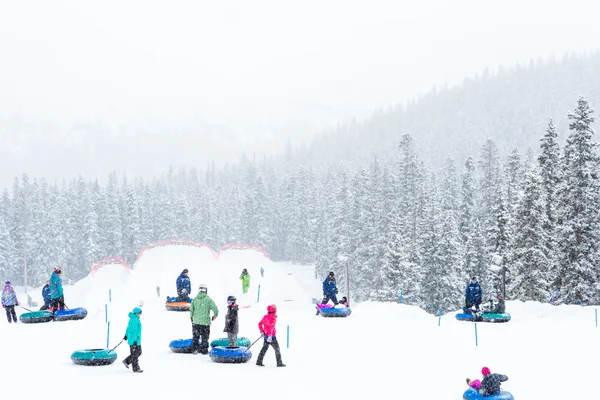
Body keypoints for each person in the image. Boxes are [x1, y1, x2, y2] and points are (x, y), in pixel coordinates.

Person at [190, 284, 218, 354]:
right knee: (205, 337)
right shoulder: (208, 300)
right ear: (206, 290)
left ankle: (195, 349)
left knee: (195, 337)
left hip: (196, 322)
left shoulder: (195, 299)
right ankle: (204, 350)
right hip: (205, 323)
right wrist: (215, 315)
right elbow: (215, 309)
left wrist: (191, 317)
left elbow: (191, 310)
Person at [122, 307, 143, 373]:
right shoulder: (134, 320)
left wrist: (126, 335)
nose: (140, 315)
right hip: (134, 341)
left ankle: (126, 361)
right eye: (140, 314)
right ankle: (136, 368)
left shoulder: (135, 319)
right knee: (135, 355)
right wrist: (134, 340)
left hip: (137, 340)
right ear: (137, 313)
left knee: (139, 352)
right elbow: (133, 331)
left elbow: (128, 329)